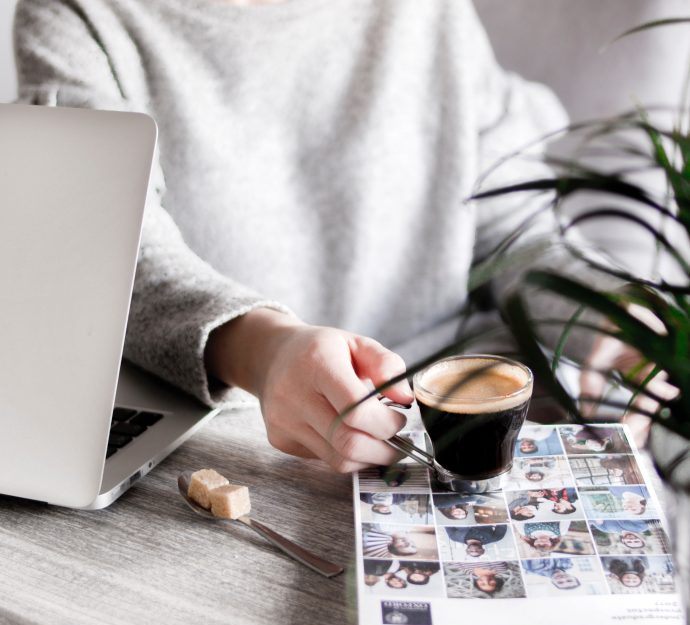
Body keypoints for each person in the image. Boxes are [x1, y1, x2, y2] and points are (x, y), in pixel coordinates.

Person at [14, 0, 648, 475]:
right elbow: (112, 253)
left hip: (458, 429)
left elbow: (514, 230)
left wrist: (608, 309)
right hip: (236, 444)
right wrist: (264, 352)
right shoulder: (79, 17)